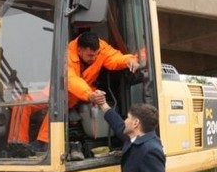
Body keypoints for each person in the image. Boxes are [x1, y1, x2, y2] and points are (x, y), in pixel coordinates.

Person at [7, 31, 138, 151]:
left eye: (96, 55)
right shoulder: (67, 54)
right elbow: (70, 79)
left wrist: (128, 60)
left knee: (58, 101)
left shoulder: (101, 48)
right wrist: (89, 95)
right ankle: (17, 145)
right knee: (22, 102)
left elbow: (114, 59)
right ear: (79, 50)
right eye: (90, 55)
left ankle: (43, 142)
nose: (94, 58)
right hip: (68, 89)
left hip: (80, 92)